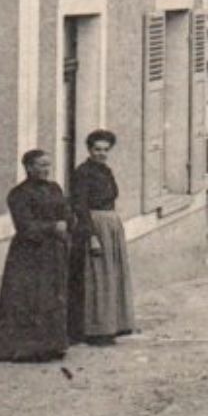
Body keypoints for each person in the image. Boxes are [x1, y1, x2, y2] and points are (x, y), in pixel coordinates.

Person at [0, 150, 73, 363]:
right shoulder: (18, 194)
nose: (46, 169)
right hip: (29, 254)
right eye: (41, 165)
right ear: (28, 167)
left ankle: (53, 346)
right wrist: (52, 227)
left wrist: (66, 222)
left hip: (54, 251)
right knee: (29, 298)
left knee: (53, 296)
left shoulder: (55, 188)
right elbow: (24, 225)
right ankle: (25, 350)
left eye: (48, 165)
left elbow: (66, 211)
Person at [67, 129, 134, 346]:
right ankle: (93, 330)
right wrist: (91, 236)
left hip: (110, 226)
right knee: (96, 277)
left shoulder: (106, 171)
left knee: (110, 275)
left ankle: (111, 325)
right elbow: (80, 206)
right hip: (93, 226)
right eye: (97, 149)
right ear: (89, 149)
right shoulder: (82, 173)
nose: (101, 153)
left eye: (105, 150)